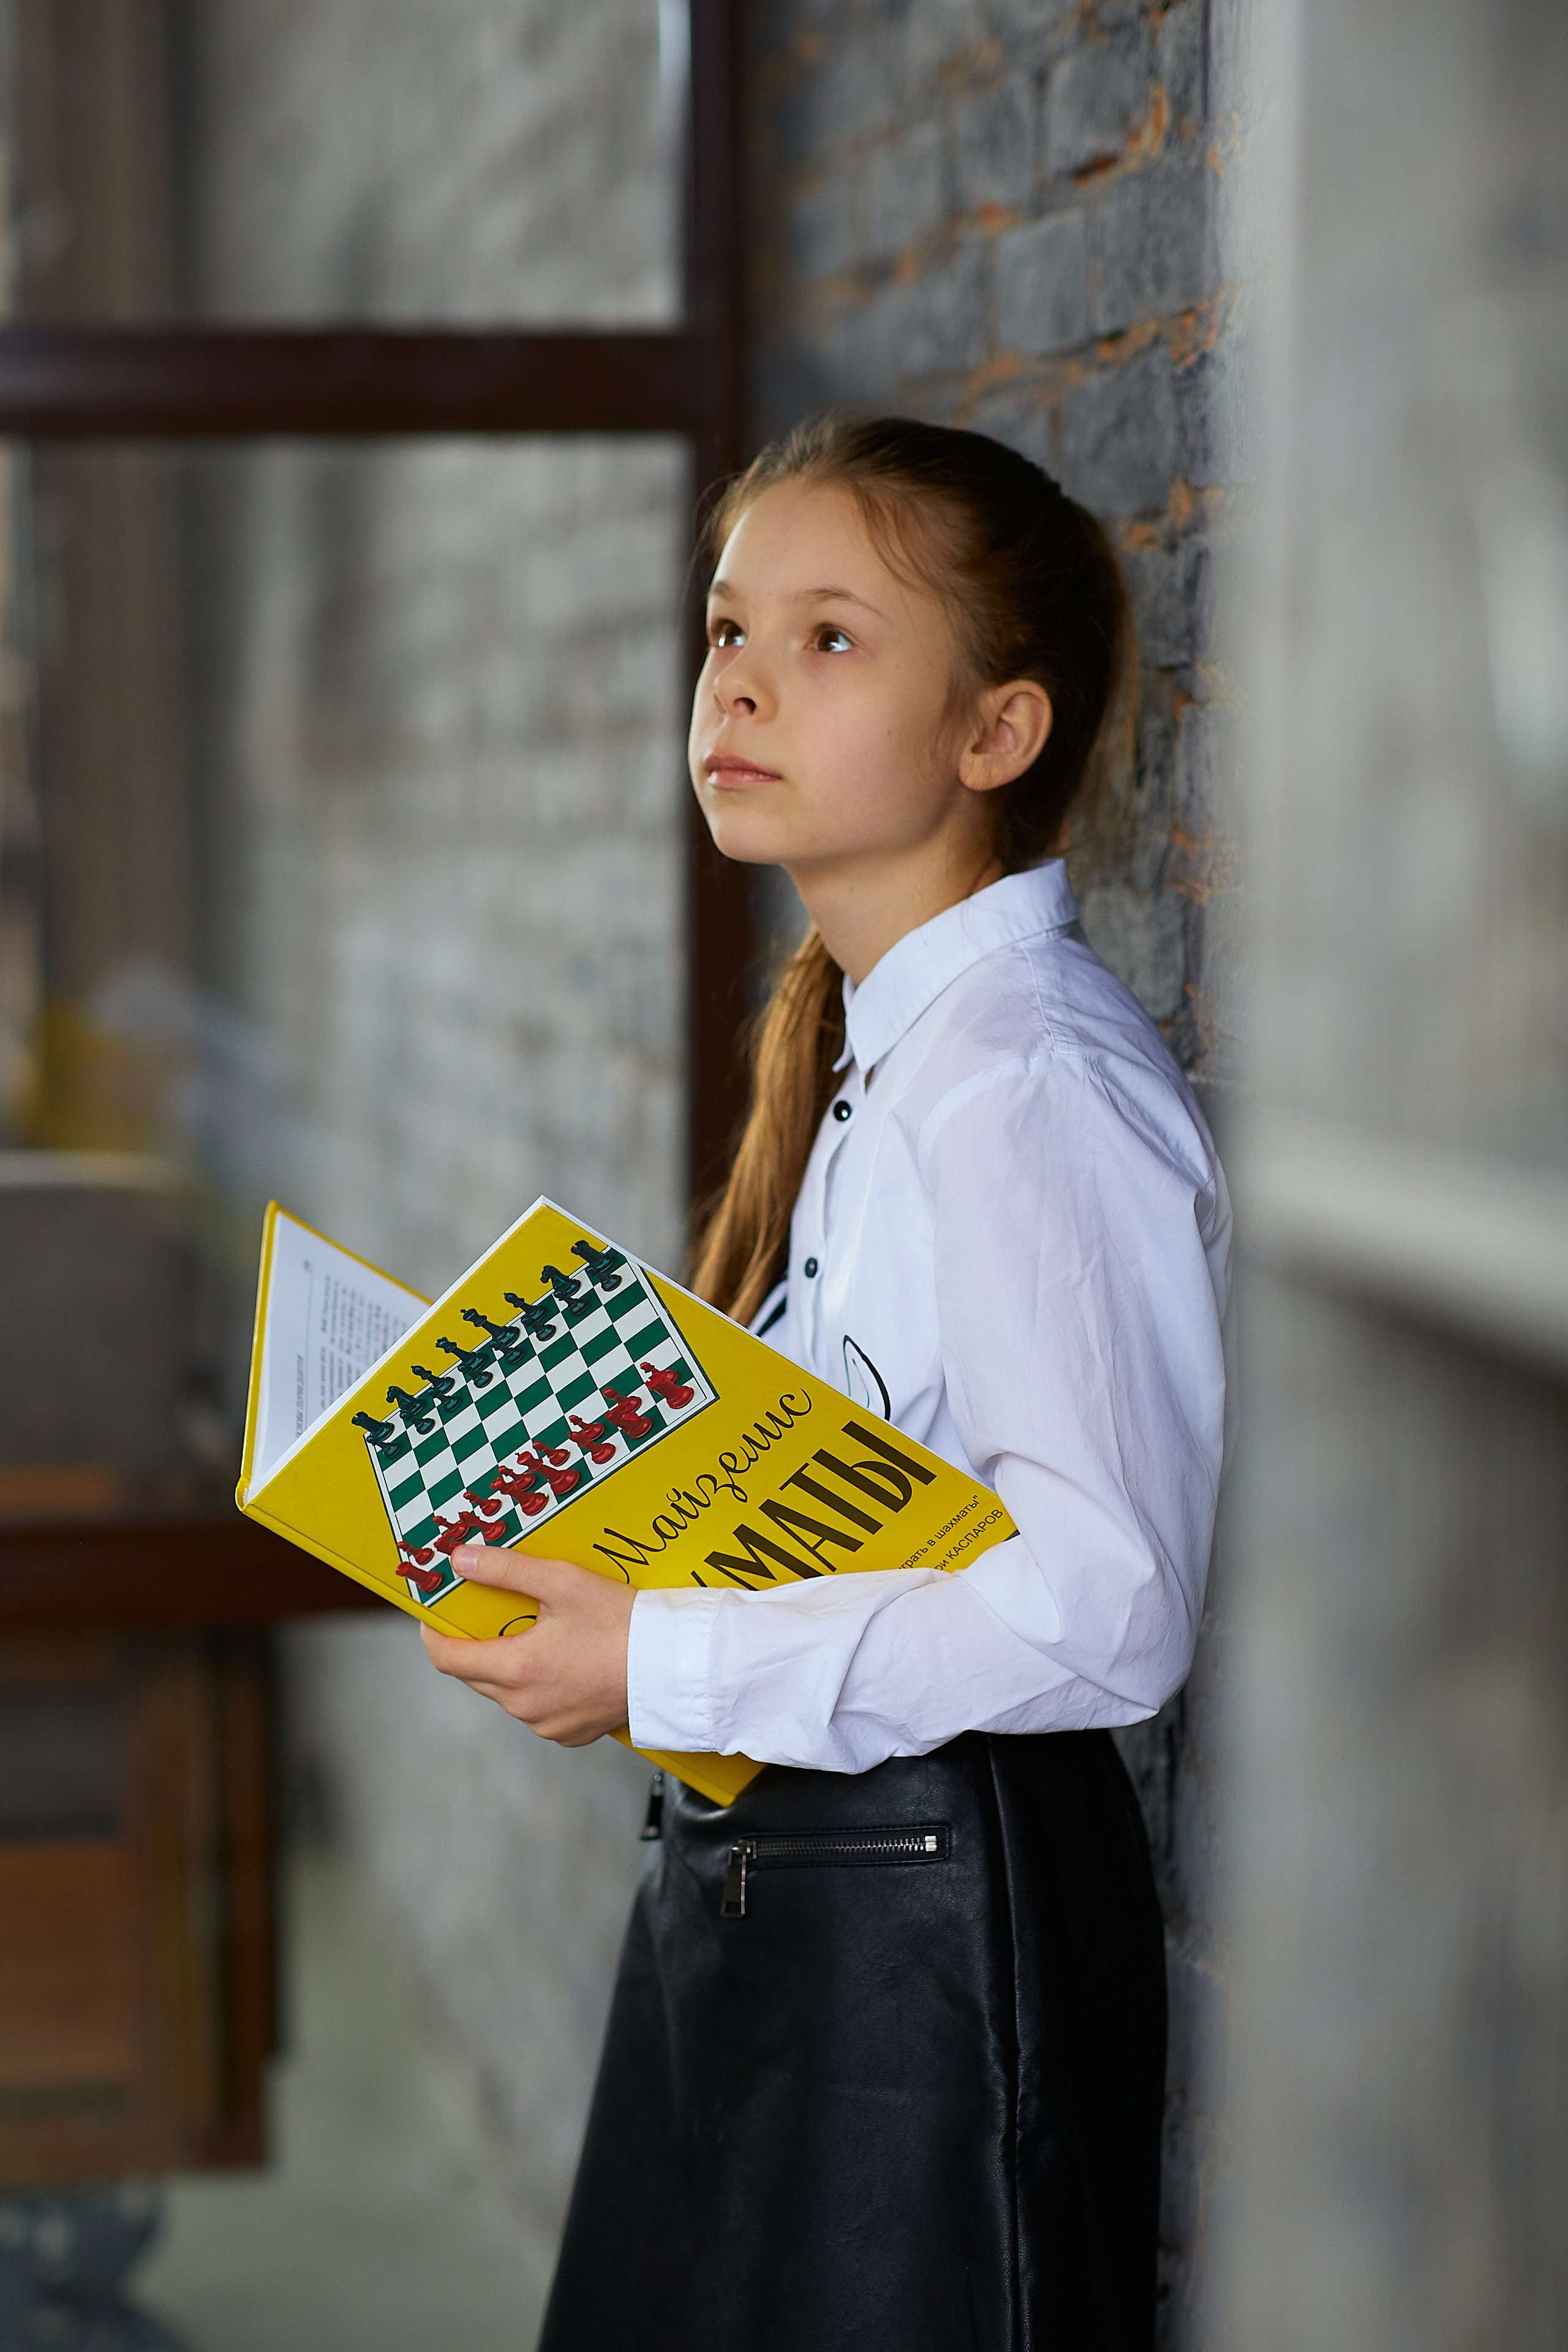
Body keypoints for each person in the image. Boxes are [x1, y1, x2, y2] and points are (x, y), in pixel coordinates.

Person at [421, 413, 1231, 2351]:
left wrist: (660, 1665)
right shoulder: (886, 1057)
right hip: (806, 1895)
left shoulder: (1024, 1083)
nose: (743, 682)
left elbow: (1111, 1603)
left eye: (832, 638)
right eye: (725, 631)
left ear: (997, 733)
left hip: (941, 1948)